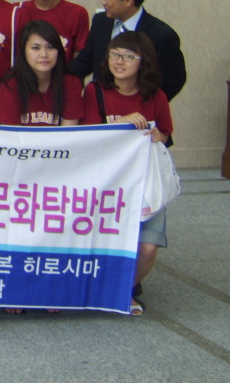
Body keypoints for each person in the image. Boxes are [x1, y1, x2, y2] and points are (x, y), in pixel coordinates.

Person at [80, 31, 173, 316]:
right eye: (114, 55)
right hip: (106, 183)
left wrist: (158, 135)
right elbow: (87, 136)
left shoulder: (156, 96)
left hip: (145, 181)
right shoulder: (95, 91)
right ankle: (106, 290)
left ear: (144, 62)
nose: (119, 62)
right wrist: (121, 123)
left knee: (148, 248)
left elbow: (166, 133)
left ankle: (123, 290)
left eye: (128, 56)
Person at [0, 19, 82, 315]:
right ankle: (16, 288)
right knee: (19, 230)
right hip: (19, 174)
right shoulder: (10, 84)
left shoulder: (70, 84)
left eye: (50, 47)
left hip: (57, 173)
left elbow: (69, 137)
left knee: (56, 228)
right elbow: (10, 142)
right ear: (23, 51)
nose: (43, 54)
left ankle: (50, 289)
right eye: (35, 48)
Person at [69, 0, 186, 105]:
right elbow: (85, 62)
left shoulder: (161, 35)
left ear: (128, 0)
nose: (103, 2)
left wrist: (148, 105)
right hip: (101, 109)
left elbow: (174, 80)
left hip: (139, 112)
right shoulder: (101, 22)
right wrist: (53, 74)